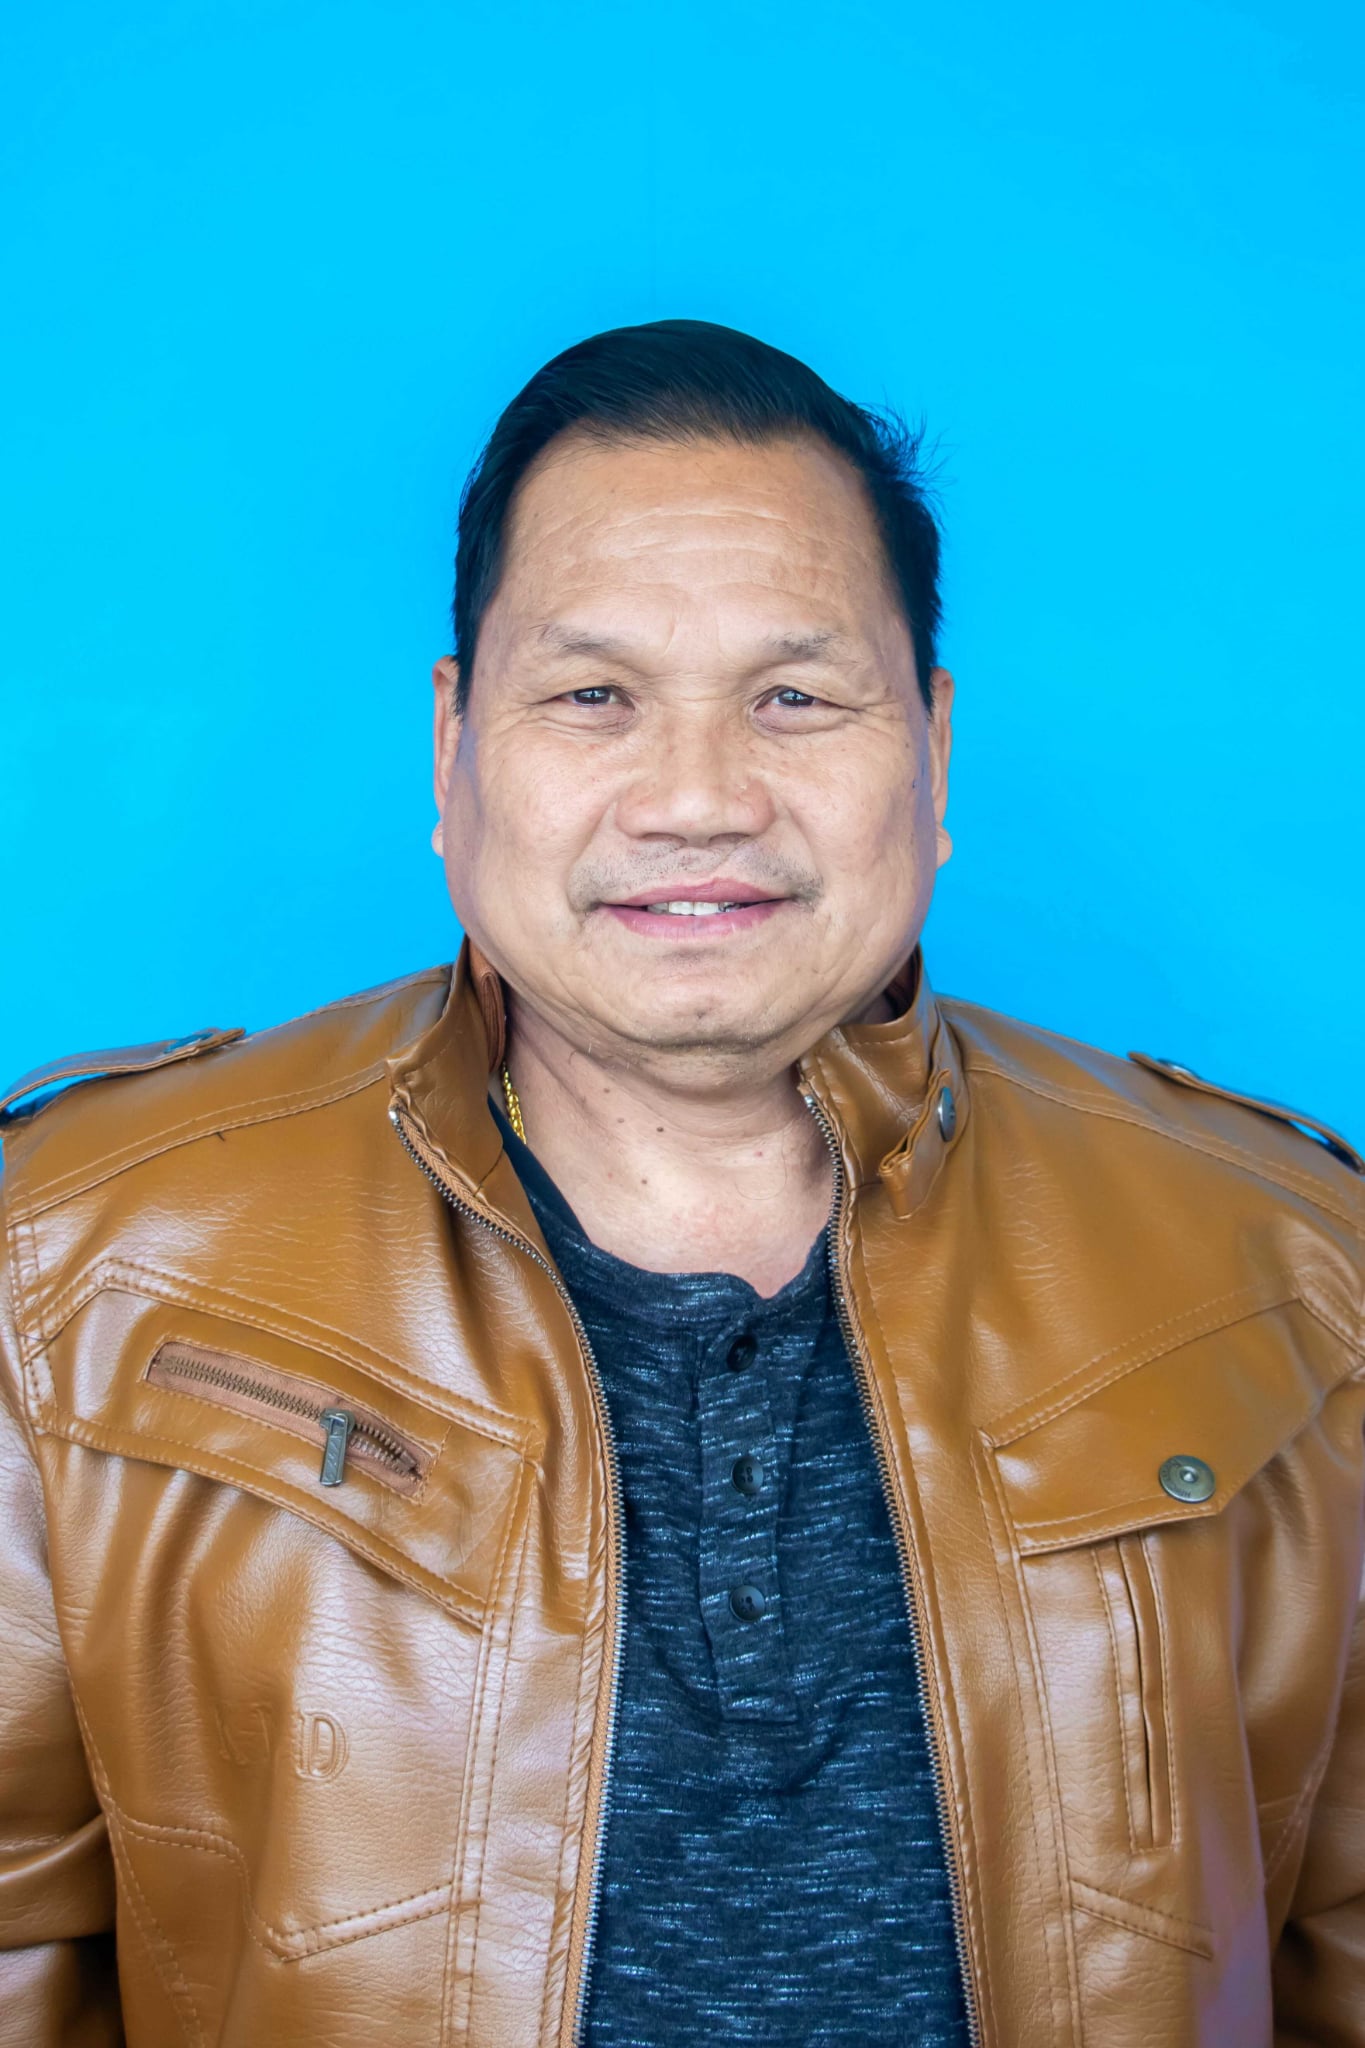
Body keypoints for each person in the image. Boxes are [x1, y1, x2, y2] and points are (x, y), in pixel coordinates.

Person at [1, 320, 1361, 2048]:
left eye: (793, 697)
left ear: (931, 748)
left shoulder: (1289, 1263)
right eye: (594, 697)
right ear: (453, 745)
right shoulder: (68, 1263)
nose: (699, 799)